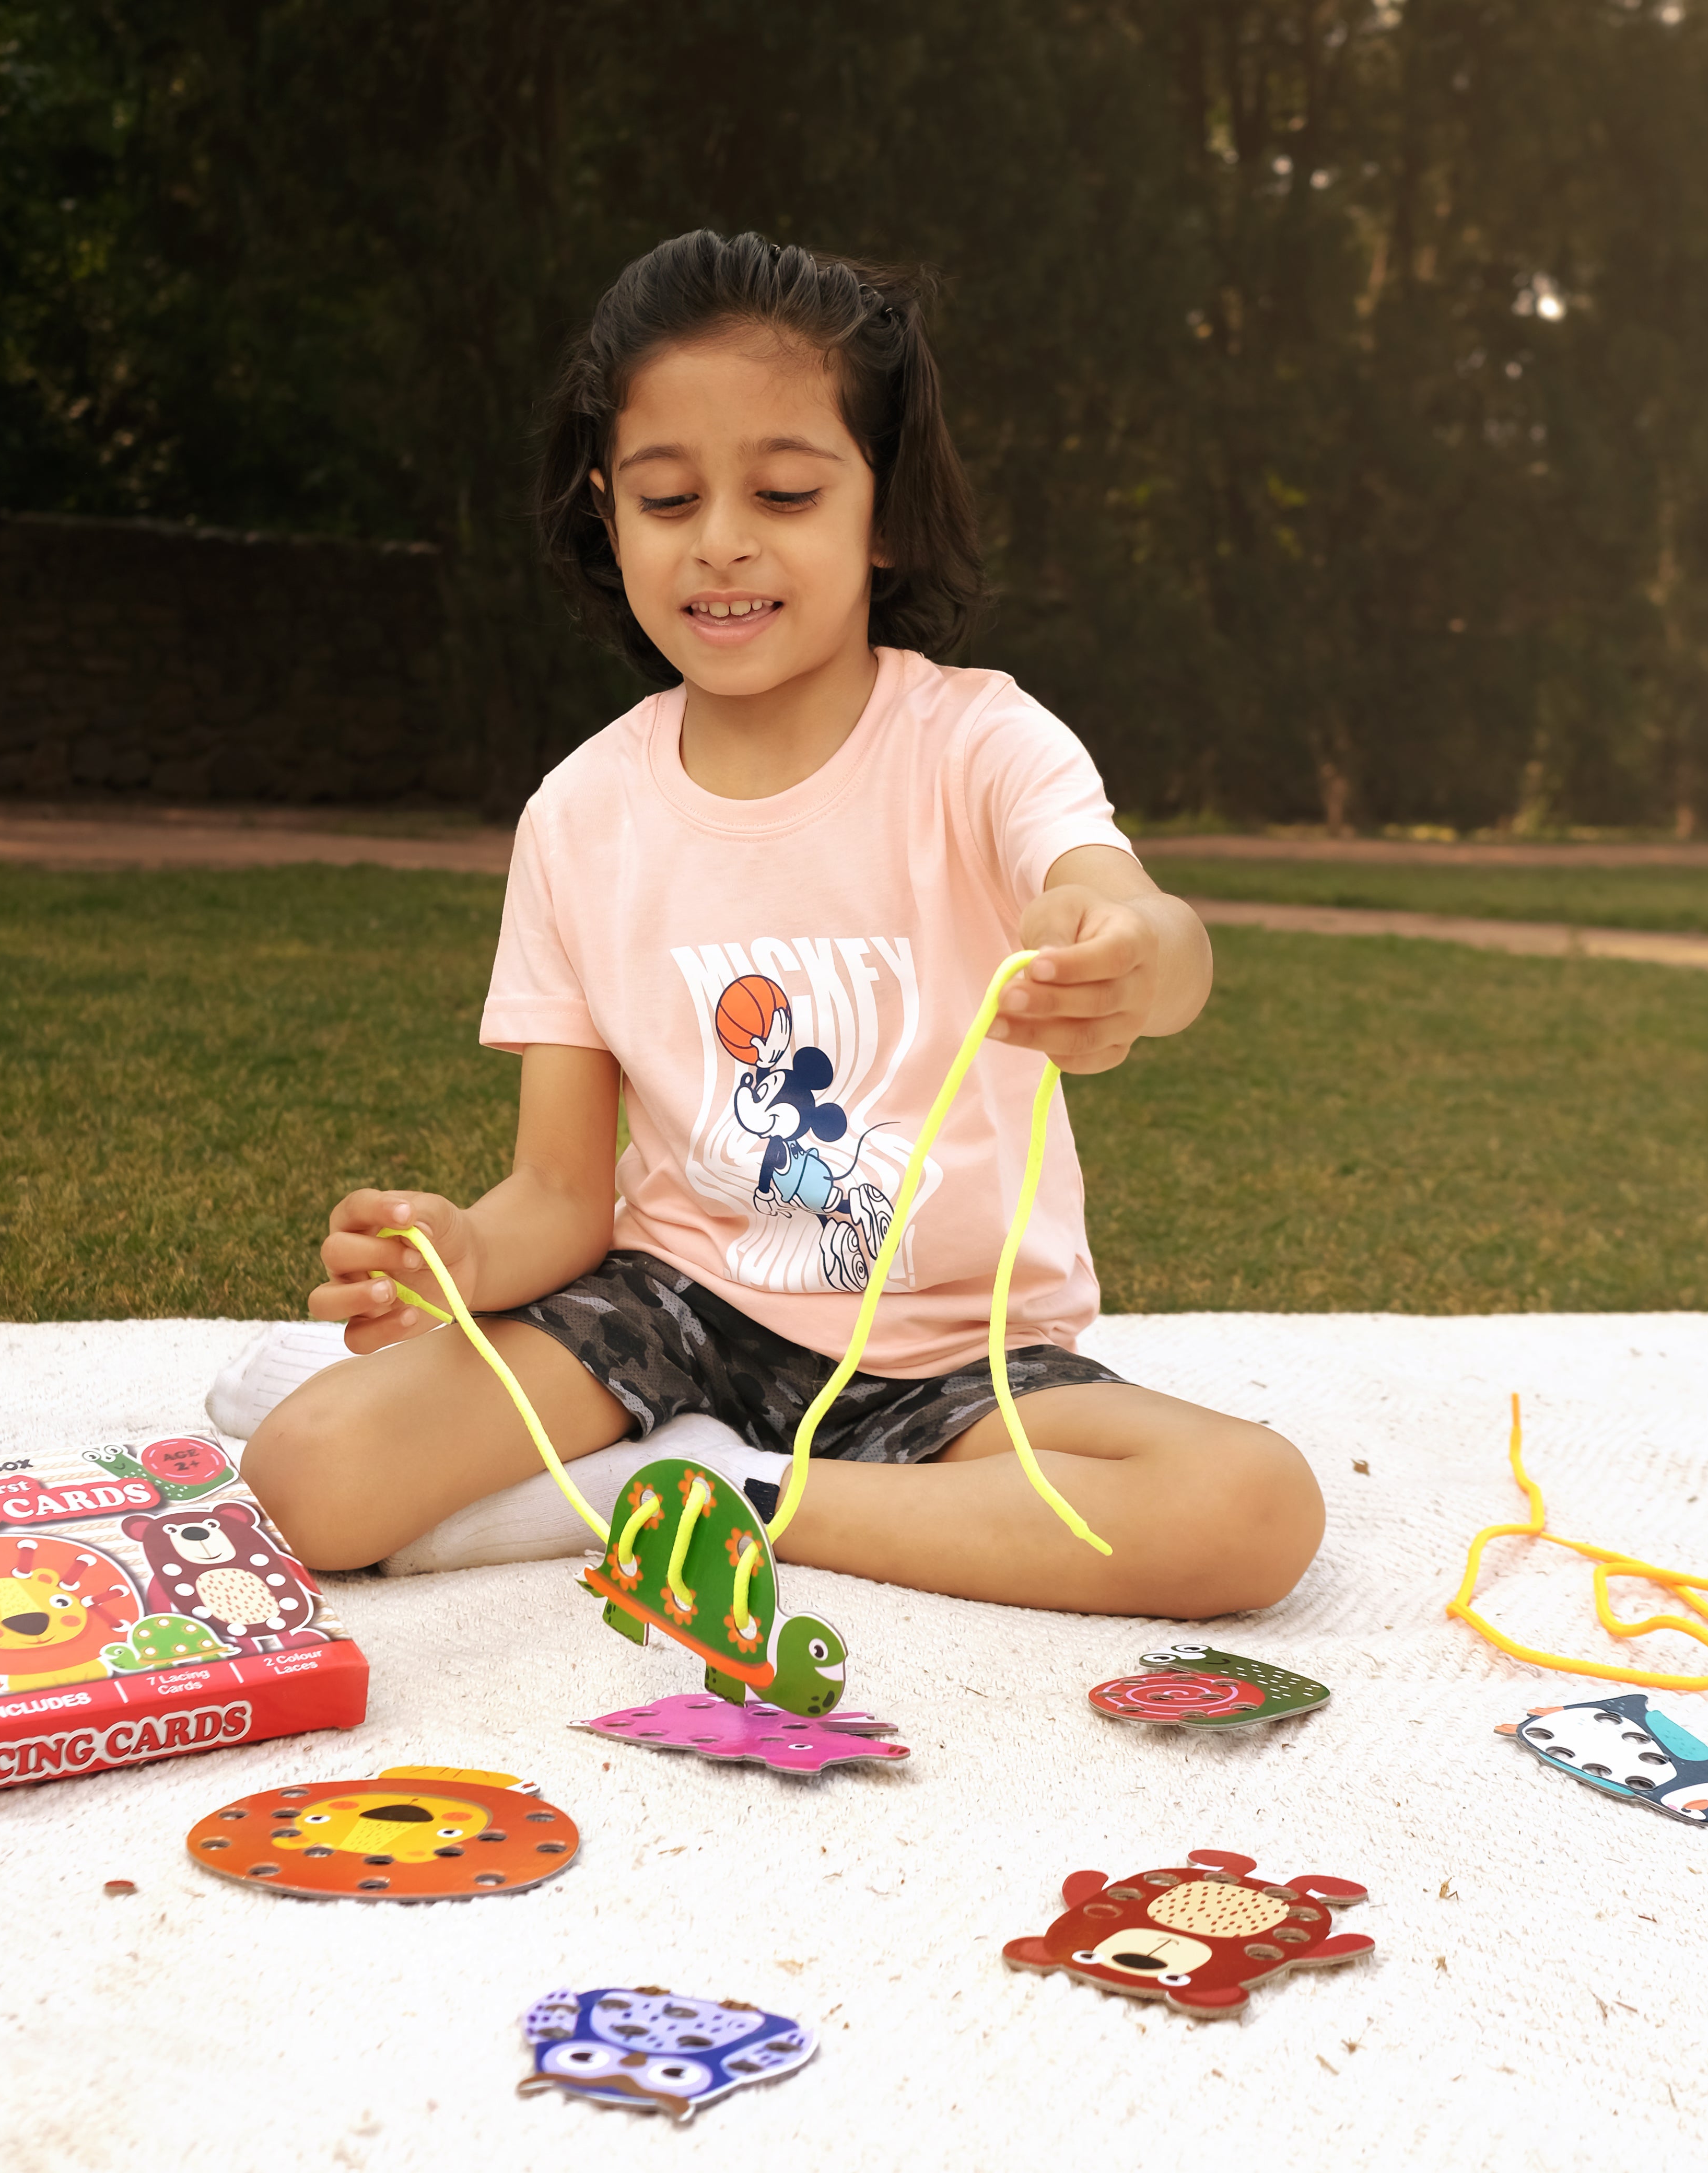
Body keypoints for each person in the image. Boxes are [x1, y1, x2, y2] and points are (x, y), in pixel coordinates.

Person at [240, 230, 1323, 1620]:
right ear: (608, 514)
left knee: (1250, 1509)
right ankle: (674, 1455)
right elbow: (559, 1197)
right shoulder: (579, 815)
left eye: (787, 492)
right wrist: (461, 1258)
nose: (721, 541)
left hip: (952, 1363)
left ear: (884, 511)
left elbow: (1142, 920)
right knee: (310, 1472)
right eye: (667, 497)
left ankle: (726, 1494)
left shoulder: (979, 745)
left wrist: (1131, 960)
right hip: (668, 1311)